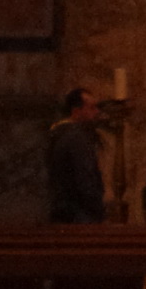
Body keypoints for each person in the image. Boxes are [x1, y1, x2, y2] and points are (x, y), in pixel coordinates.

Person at [46, 85, 114, 223]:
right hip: (79, 217)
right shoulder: (77, 138)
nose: (97, 112)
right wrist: (98, 210)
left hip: (62, 213)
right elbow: (86, 180)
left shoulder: (59, 134)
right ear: (76, 112)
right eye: (92, 108)